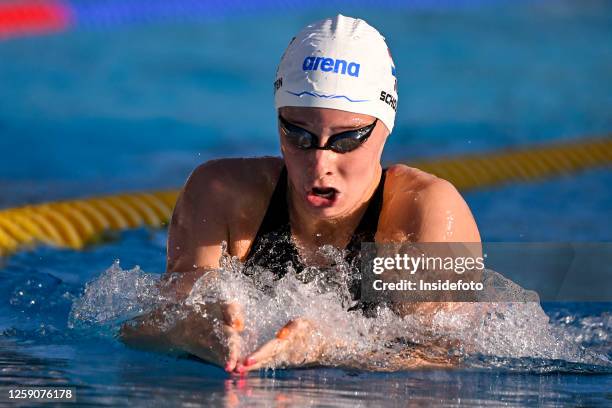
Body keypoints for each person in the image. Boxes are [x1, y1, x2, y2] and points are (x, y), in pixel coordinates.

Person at [120, 14, 481, 374]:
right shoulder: (222, 194)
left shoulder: (425, 211)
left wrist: (330, 346)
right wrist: (188, 330)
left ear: (384, 127)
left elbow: (445, 358)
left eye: (347, 139)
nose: (320, 161)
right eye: (298, 135)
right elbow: (137, 331)